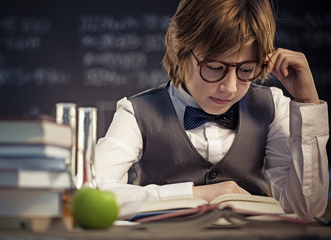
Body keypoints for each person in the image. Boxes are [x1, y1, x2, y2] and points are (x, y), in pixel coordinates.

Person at [95, 0, 329, 221]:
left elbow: (305, 211)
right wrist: (195, 195)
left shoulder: (274, 106)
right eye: (215, 67)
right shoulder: (136, 112)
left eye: (246, 70)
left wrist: (308, 103)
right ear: (180, 52)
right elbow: (92, 193)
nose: (230, 87)